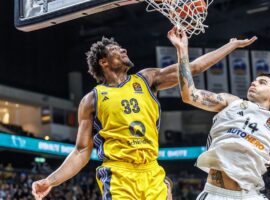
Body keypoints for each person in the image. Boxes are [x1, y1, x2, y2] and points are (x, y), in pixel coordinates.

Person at [31, 27, 257, 200]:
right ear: (104, 62)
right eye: (116, 50)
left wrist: (230, 46)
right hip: (119, 173)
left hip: (151, 170)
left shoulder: (147, 78)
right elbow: (81, 151)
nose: (123, 50)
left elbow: (193, 68)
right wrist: (51, 180)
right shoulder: (92, 99)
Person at [171, 31, 270, 199]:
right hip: (217, 194)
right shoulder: (231, 102)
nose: (254, 83)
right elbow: (190, 95)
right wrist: (182, 50)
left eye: (262, 83)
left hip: (250, 195)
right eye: (254, 80)